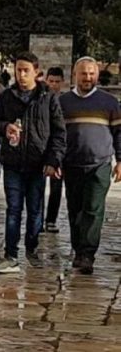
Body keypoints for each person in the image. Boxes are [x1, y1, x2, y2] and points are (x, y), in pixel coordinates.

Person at [0, 52, 66, 274]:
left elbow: (59, 133)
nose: (22, 75)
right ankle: (11, 255)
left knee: (35, 209)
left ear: (36, 72)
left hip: (37, 163)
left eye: (26, 70)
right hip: (13, 162)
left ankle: (32, 249)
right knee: (13, 209)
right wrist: (5, 127)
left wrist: (53, 160)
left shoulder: (47, 97)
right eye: (18, 70)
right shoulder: (7, 96)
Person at [59, 57, 121, 275]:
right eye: (84, 73)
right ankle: (78, 249)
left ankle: (87, 254)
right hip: (72, 164)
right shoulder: (63, 102)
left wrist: (120, 160)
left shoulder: (109, 102)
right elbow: (56, 135)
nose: (88, 77)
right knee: (75, 209)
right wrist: (54, 161)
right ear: (75, 75)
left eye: (92, 73)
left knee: (93, 209)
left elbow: (119, 133)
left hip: (99, 165)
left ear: (97, 75)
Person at [44, 67, 65, 233]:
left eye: (57, 82)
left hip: (58, 149)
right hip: (41, 148)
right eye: (51, 81)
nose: (54, 85)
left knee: (56, 186)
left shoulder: (66, 102)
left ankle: (51, 219)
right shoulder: (41, 99)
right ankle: (37, 218)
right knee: (37, 187)